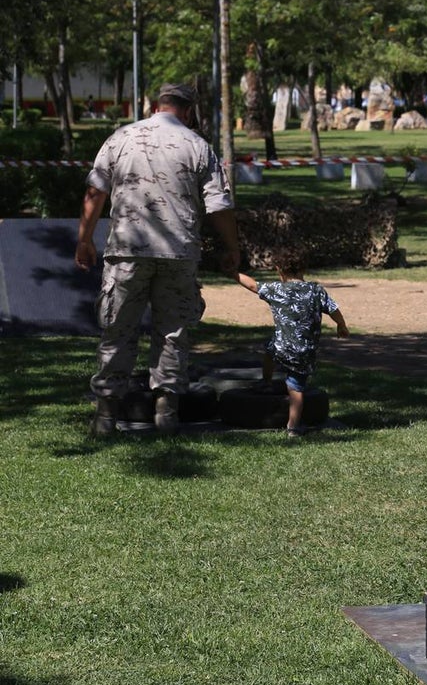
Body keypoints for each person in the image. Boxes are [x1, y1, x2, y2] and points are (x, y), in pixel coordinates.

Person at [76, 83, 239, 435]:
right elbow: (219, 206)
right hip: (178, 253)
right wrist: (233, 248)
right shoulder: (198, 146)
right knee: (172, 332)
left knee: (118, 330)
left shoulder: (120, 138)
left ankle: (105, 416)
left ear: (154, 105)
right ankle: (167, 413)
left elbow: (95, 191)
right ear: (190, 109)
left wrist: (85, 240)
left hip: (127, 252)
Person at [235, 250, 349, 438]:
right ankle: (293, 426)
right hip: (304, 351)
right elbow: (334, 309)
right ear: (303, 269)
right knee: (296, 388)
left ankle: (266, 381)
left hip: (281, 347)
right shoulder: (316, 290)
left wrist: (233, 273)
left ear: (279, 270)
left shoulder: (276, 289)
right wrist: (341, 325)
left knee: (270, 350)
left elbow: (253, 286)